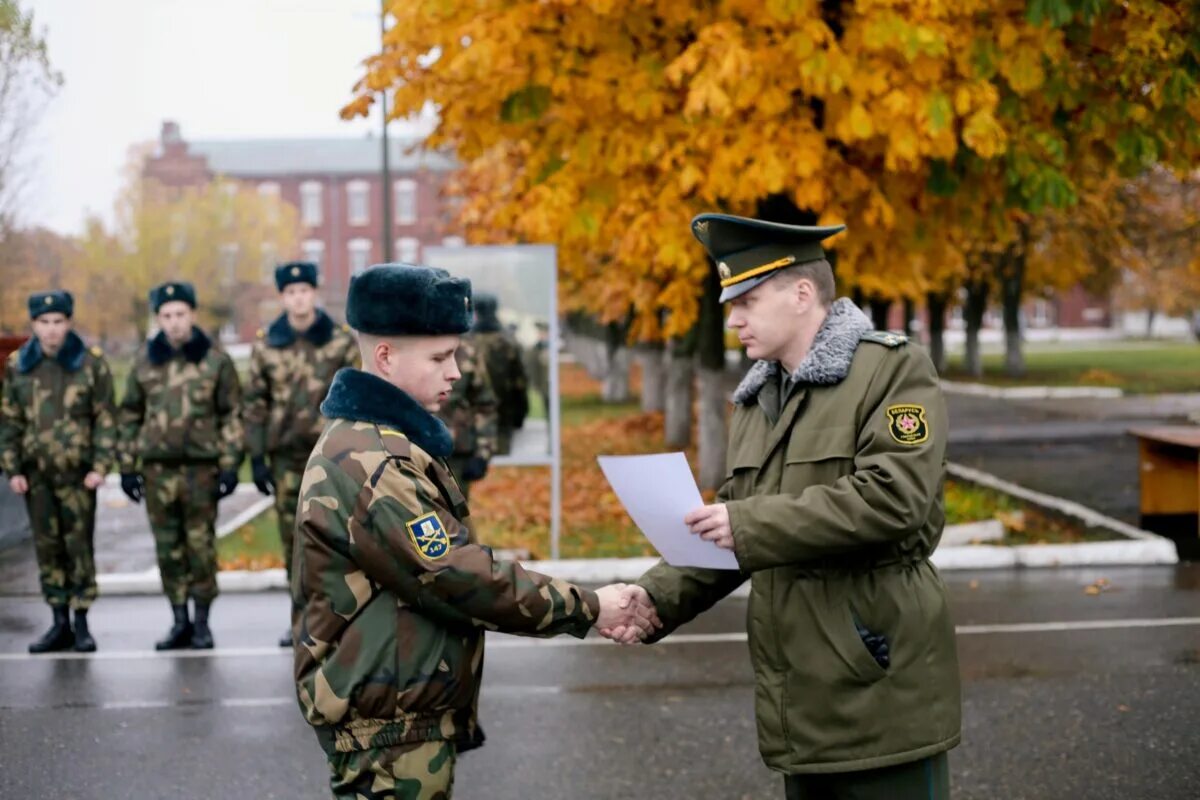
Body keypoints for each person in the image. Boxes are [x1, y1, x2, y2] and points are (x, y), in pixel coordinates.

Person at [605, 213, 961, 799]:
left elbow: (894, 498)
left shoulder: (890, 369)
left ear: (802, 294)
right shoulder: (756, 400)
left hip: (878, 683)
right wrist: (654, 598)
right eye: (728, 302)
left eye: (747, 298)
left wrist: (744, 522)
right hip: (801, 700)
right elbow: (733, 525)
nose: (733, 317)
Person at [291, 263, 658, 799]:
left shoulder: (378, 441)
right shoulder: (374, 459)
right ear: (387, 357)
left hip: (394, 714)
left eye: (456, 354)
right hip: (389, 731)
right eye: (440, 357)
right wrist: (590, 607)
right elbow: (457, 575)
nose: (456, 371)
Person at [118, 281, 244, 651]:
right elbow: (129, 415)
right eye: (167, 316)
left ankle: (202, 623)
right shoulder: (144, 361)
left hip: (200, 471)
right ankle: (179, 621)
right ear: (158, 318)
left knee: (201, 546)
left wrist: (230, 463)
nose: (174, 322)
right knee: (168, 548)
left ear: (192, 314)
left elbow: (231, 413)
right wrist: (127, 467)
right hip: (158, 471)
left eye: (180, 314)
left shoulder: (215, 360)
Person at [242, 261, 357, 647]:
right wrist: (256, 457)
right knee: (293, 541)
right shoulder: (267, 344)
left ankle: (336, 618)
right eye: (291, 292)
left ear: (315, 293)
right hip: (286, 458)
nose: (298, 298)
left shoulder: (339, 342)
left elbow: (356, 394)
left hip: (332, 456)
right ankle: (301, 620)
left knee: (335, 537)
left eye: (304, 290)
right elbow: (255, 403)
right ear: (282, 297)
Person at [0, 291, 116, 653]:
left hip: (78, 476)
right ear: (34, 325)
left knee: (78, 548)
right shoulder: (20, 366)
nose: (51, 330)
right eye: (44, 323)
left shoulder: (89, 364)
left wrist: (100, 466)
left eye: (58, 322)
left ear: (68, 322)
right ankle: (58, 623)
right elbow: (10, 421)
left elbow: (105, 418)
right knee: (48, 549)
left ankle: (81, 624)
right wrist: (12, 468)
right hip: (37, 478)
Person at [437, 335, 497, 500]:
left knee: (454, 520)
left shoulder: (467, 351)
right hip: (406, 453)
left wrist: (482, 453)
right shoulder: (404, 343)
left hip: (455, 458)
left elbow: (485, 405)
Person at [470, 293, 528, 455]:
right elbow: (520, 383)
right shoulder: (508, 342)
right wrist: (520, 415)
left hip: (471, 418)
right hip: (503, 414)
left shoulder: (465, 342)